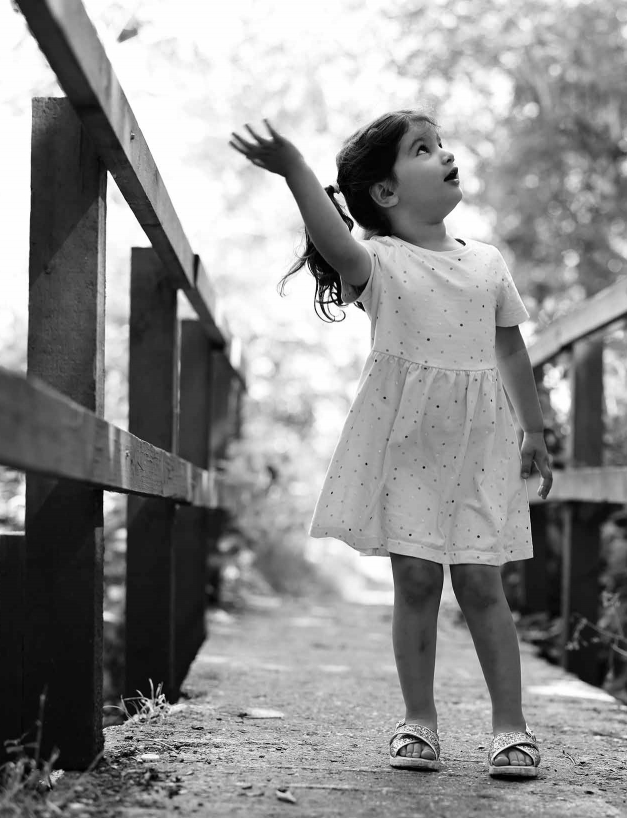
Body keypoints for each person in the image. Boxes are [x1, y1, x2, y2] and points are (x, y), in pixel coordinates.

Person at [229, 110, 553, 779]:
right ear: (386, 191)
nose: (445, 154)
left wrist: (536, 431)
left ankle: (511, 726)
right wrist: (295, 168)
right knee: (414, 580)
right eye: (423, 149)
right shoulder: (378, 262)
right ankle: (419, 722)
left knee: (482, 583)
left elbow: (510, 350)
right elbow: (331, 238)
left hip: (479, 445)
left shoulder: (488, 264)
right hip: (405, 444)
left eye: (441, 144)